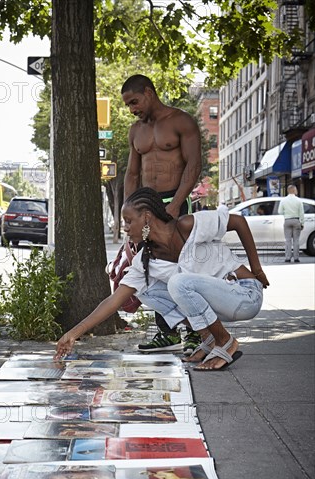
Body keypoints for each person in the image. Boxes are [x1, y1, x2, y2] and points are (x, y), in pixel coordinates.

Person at [55, 188, 269, 371]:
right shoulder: (145, 260)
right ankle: (209, 337)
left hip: (244, 295)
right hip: (218, 305)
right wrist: (73, 334)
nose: (125, 228)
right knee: (145, 288)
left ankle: (225, 341)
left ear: (147, 217)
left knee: (179, 283)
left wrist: (257, 271)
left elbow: (239, 222)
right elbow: (113, 301)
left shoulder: (187, 225)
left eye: (129, 221)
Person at [121, 74, 202, 355]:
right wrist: (128, 214)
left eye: (134, 101)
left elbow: (194, 165)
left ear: (148, 92)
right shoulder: (136, 131)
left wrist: (177, 203)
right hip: (146, 206)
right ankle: (166, 332)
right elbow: (132, 174)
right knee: (151, 269)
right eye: (128, 105)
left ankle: (195, 332)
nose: (132, 108)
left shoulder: (181, 121)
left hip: (176, 202)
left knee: (184, 267)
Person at [278, 184, 305, 263]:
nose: (297, 191)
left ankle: (287, 258)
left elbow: (280, 212)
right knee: (296, 240)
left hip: (287, 221)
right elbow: (301, 213)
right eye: (296, 189)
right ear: (293, 190)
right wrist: (302, 223)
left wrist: (286, 214)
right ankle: (296, 258)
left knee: (288, 240)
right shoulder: (299, 200)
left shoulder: (283, 200)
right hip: (296, 221)